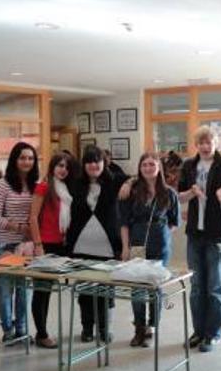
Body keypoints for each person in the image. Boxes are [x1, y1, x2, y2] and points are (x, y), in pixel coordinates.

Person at [177, 126, 221, 353]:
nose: (204, 146)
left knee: (215, 287)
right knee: (197, 287)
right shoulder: (189, 166)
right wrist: (191, 192)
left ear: (215, 143)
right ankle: (198, 331)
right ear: (196, 144)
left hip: (216, 234)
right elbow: (180, 196)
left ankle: (213, 334)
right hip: (194, 233)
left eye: (208, 141)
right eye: (200, 142)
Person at [65, 146, 126, 343]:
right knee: (85, 289)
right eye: (89, 161)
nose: (93, 165)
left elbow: (137, 178)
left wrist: (130, 182)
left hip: (108, 246)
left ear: (104, 162)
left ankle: (104, 328)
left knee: (105, 289)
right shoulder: (75, 184)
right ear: (84, 165)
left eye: (97, 160)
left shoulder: (115, 181)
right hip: (81, 246)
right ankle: (87, 328)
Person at [119, 152, 180, 347]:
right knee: (137, 288)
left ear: (159, 167)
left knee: (156, 288)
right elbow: (123, 223)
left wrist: (161, 235)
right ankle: (139, 328)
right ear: (140, 168)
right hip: (137, 244)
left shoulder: (169, 193)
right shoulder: (132, 191)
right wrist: (125, 248)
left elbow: (174, 222)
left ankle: (152, 327)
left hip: (160, 245)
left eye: (152, 164)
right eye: (144, 164)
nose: (148, 168)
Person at [0, 142, 38, 344]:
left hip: (27, 247)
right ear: (14, 160)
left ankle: (22, 330)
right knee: (6, 291)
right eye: (22, 157)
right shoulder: (3, 184)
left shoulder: (36, 184)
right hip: (5, 246)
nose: (26, 161)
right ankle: (8, 330)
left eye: (30, 158)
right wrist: (18, 227)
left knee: (24, 291)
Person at [29, 152, 75, 349]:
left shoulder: (66, 189)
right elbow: (32, 218)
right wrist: (38, 245)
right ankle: (41, 334)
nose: (63, 169)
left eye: (66, 166)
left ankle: (43, 332)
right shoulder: (44, 186)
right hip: (46, 245)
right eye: (60, 165)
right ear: (52, 166)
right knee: (42, 291)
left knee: (50, 290)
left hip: (62, 245)